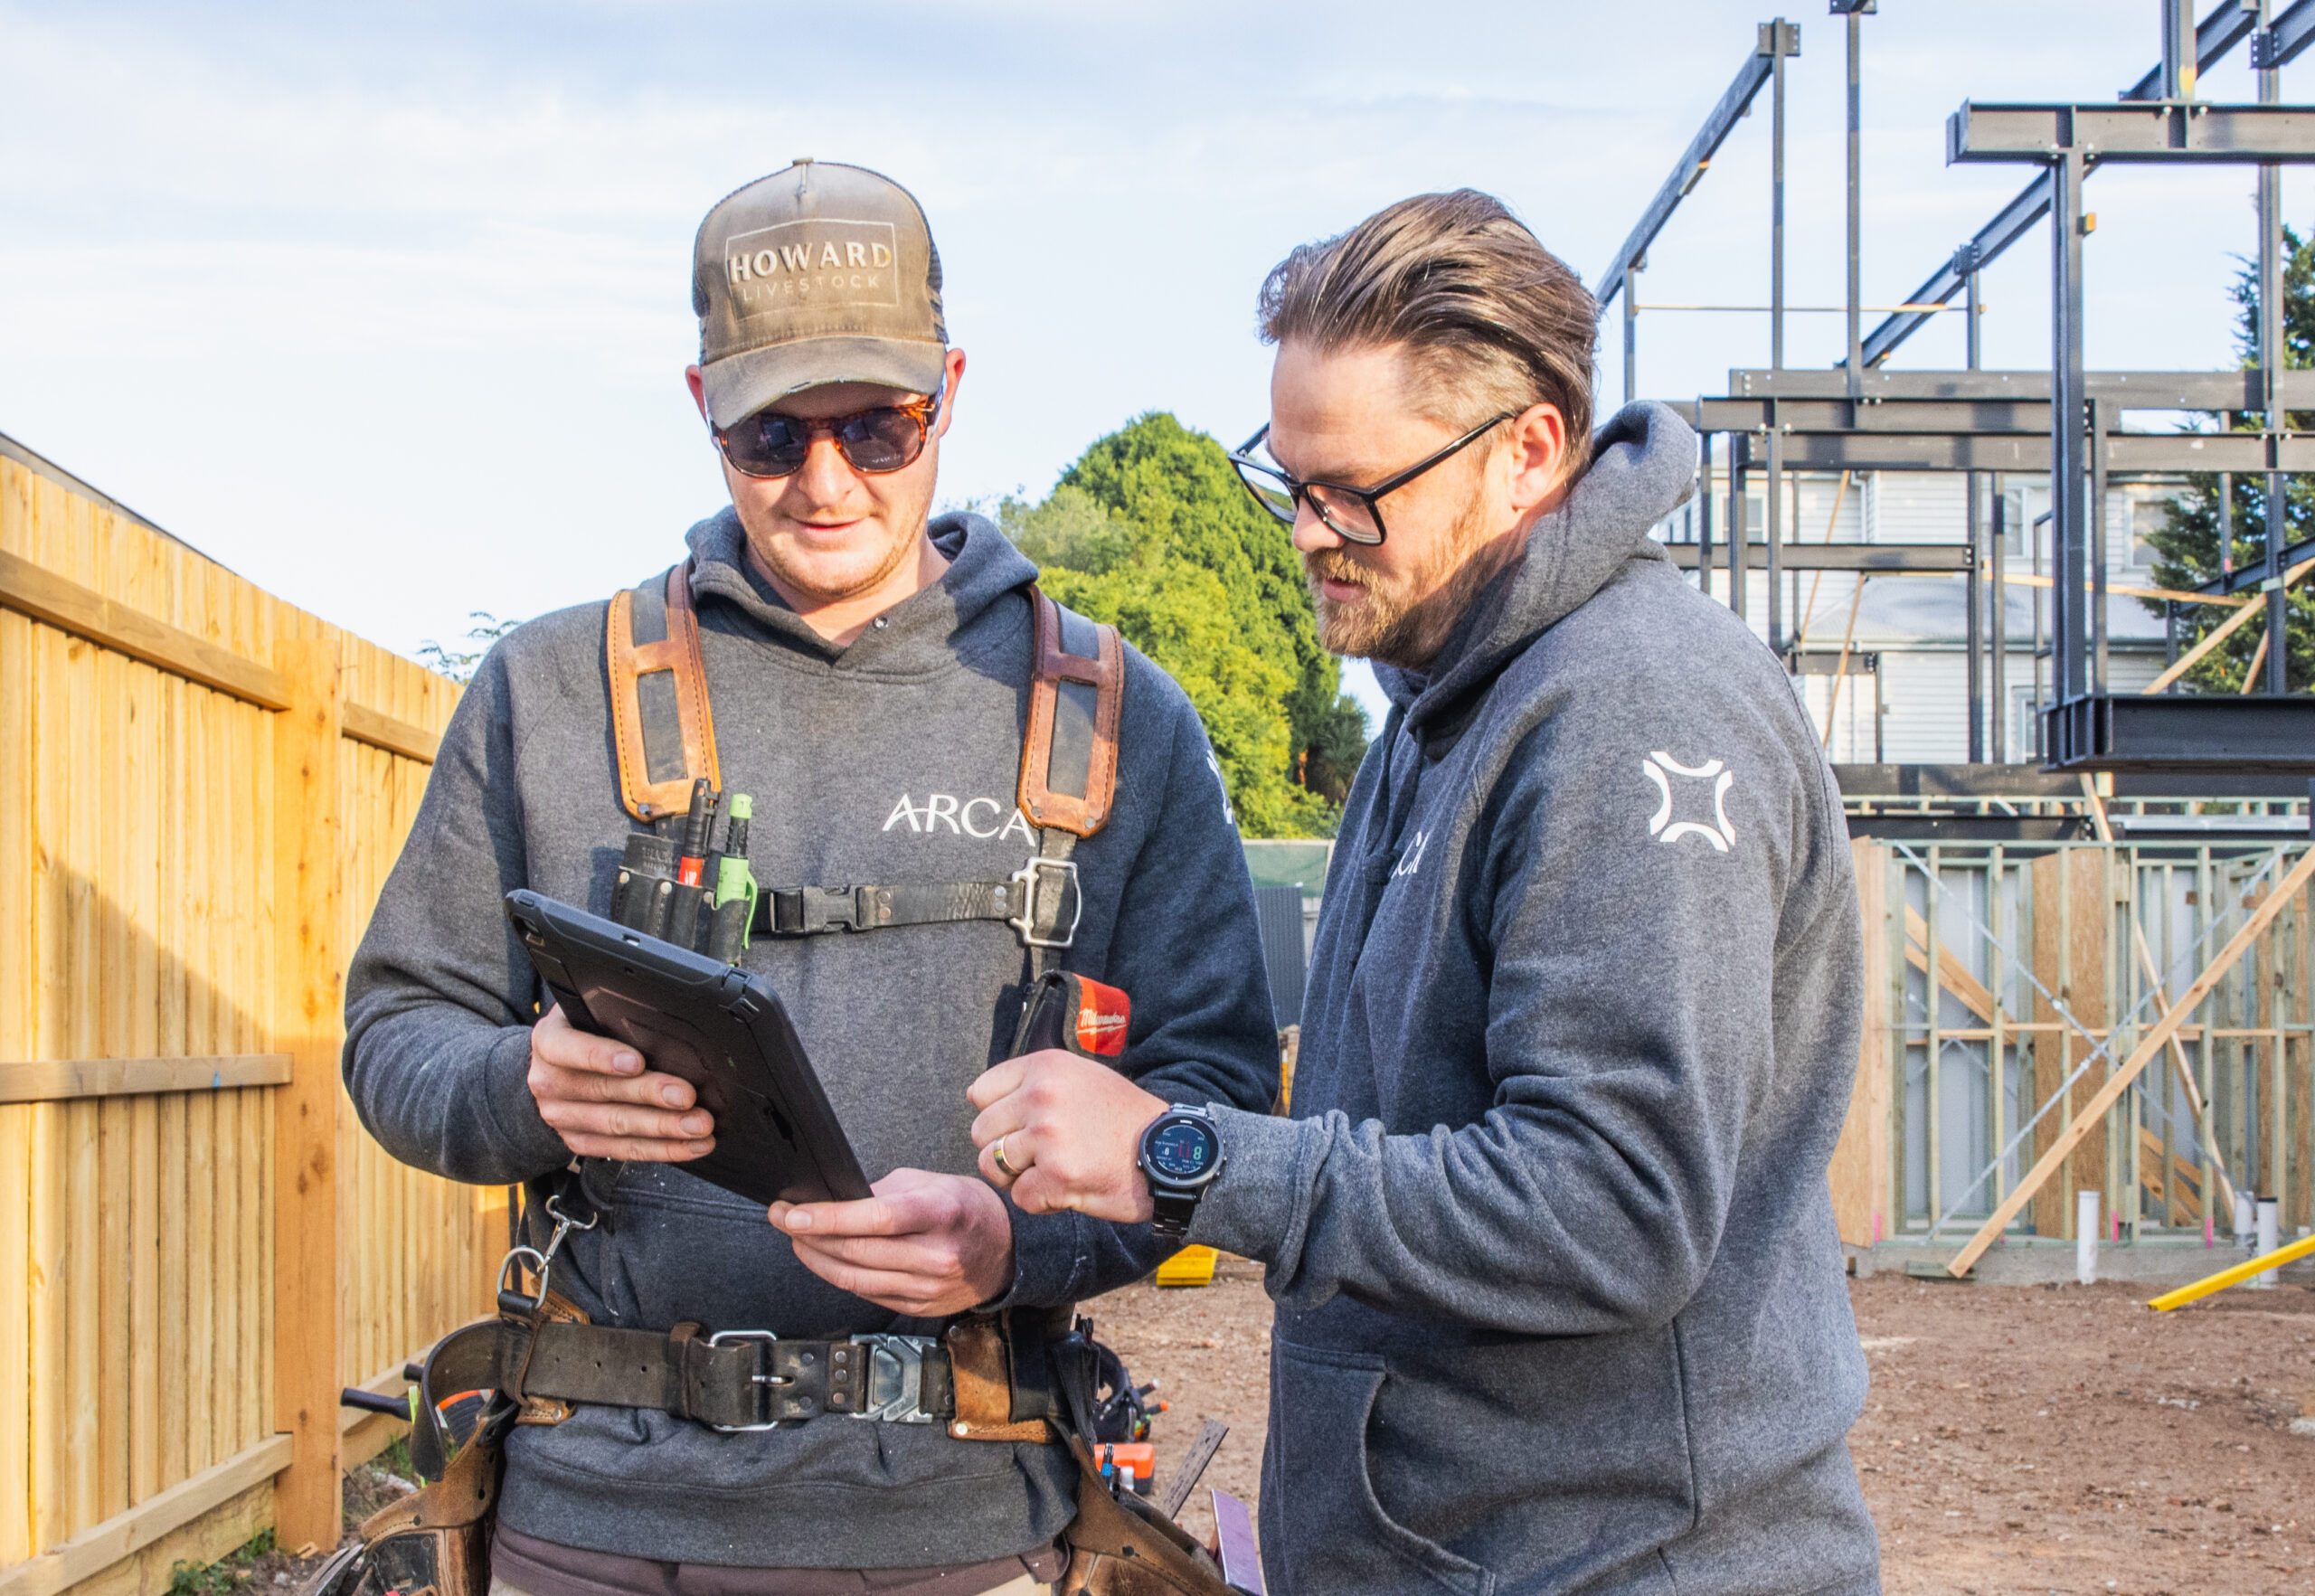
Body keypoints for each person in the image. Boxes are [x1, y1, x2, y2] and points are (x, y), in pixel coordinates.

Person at [343, 160, 1278, 1596]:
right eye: (774, 432)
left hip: (965, 1532)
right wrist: (517, 1085)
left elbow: (1208, 1106)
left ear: (950, 390)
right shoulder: (548, 690)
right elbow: (395, 1036)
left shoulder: (1115, 717)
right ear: (701, 402)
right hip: (593, 1528)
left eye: (878, 425)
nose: (827, 480)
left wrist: (1018, 1247)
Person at [968, 190, 1882, 1594]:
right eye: (1290, 480)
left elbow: (1612, 1206)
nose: (1306, 534)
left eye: (1355, 492)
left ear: (1525, 454)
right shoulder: (1443, 695)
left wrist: (1182, 1151)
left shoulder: (1627, 709)